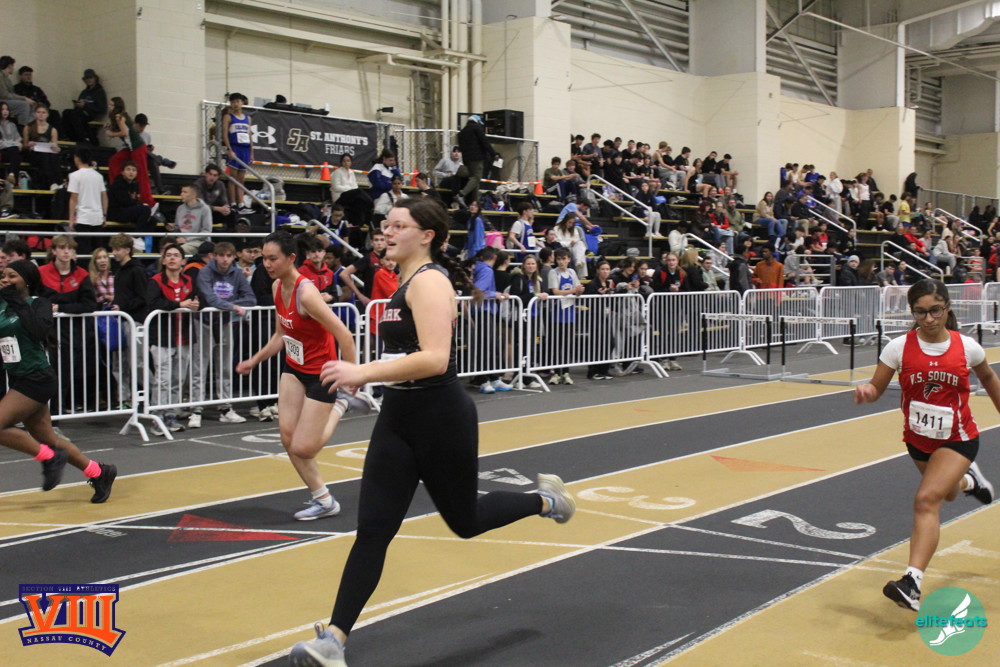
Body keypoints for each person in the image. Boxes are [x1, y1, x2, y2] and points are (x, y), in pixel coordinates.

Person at [289, 198, 575, 665]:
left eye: (399, 225)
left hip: (440, 417)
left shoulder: (430, 282)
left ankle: (545, 500)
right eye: (386, 224)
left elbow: (436, 359)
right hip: (398, 417)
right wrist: (371, 375)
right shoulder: (401, 284)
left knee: (466, 522)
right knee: (373, 529)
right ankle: (333, 640)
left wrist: (363, 372)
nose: (387, 231)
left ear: (427, 236)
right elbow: (407, 354)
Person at [854, 279, 997, 612]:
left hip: (958, 439)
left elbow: (989, 377)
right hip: (918, 440)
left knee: (926, 500)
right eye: (920, 312)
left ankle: (911, 583)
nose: (929, 319)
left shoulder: (967, 347)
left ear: (947, 308)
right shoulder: (898, 348)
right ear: (912, 312)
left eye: (935, 311)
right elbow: (877, 387)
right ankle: (970, 482)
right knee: (947, 493)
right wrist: (867, 392)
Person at [237, 231, 364, 521]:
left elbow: (344, 335)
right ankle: (324, 500)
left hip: (322, 373)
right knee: (287, 438)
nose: (267, 264)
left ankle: (341, 404)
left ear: (291, 258)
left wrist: (353, 376)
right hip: (294, 368)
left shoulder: (306, 294)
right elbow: (281, 335)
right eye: (264, 258)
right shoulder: (276, 287)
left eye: (273, 259)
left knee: (305, 448)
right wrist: (254, 360)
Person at [0, 260, 117, 501]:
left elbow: (38, 331)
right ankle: (98, 472)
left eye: (12, 276)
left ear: (27, 281)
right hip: (18, 377)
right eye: (3, 276)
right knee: (48, 439)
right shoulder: (2, 305)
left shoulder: (39, 303)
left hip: (37, 378)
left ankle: (49, 458)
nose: (5, 280)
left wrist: (15, 300)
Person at [191, 241, 256, 427]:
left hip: (225, 321)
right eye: (221, 255)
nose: (225, 259)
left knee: (225, 366)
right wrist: (232, 306)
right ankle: (196, 409)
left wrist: (230, 305)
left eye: (229, 256)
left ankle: (226, 407)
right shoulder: (205, 272)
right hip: (204, 321)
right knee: (200, 366)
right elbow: (209, 298)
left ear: (234, 257)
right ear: (214, 256)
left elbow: (251, 298)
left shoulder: (237, 273)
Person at [105, 97, 154, 207]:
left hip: (137, 147)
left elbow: (124, 133)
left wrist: (111, 134)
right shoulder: (119, 117)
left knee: (142, 174)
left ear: (116, 106)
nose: (109, 107)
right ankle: (117, 187)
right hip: (131, 148)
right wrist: (110, 128)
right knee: (114, 161)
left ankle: (148, 200)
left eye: (111, 105)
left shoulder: (119, 117)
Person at [67, 145, 107, 254]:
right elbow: (104, 197)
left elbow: (73, 198)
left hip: (83, 218)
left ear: (76, 158)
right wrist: (104, 215)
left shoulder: (74, 175)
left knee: (83, 252)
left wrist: (71, 219)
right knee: (97, 252)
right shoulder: (98, 176)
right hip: (97, 217)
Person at [455, 114, 496, 208]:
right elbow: (484, 141)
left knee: (474, 180)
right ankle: (461, 194)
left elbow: (461, 147)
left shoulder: (462, 132)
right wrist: (493, 153)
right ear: (477, 121)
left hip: (466, 159)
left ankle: (474, 202)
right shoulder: (476, 128)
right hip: (477, 158)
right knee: (477, 177)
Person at [221, 93, 253, 212]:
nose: (235, 104)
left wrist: (251, 152)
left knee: (241, 179)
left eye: (237, 101)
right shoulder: (228, 117)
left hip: (245, 149)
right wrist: (229, 149)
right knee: (233, 178)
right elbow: (225, 134)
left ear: (242, 102)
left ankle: (241, 204)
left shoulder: (248, 118)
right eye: (233, 102)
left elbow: (249, 136)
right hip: (235, 148)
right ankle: (233, 203)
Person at [22, 105, 61, 191]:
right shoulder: (28, 127)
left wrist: (56, 149)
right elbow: (24, 145)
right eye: (38, 112)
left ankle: (58, 182)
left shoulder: (53, 130)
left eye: (43, 112)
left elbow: (55, 145)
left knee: (54, 156)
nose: (41, 114)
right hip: (33, 154)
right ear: (35, 114)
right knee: (45, 156)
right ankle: (52, 182)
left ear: (47, 114)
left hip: (46, 153)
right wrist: (29, 144)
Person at [329, 153, 373, 232]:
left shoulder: (351, 172)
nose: (346, 163)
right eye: (344, 161)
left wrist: (352, 190)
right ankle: (371, 203)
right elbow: (336, 187)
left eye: (348, 161)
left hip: (350, 197)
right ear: (341, 162)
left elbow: (355, 186)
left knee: (360, 201)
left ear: (351, 162)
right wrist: (349, 189)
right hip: (340, 197)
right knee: (359, 191)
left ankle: (360, 223)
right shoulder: (337, 172)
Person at [62, 69, 107, 143]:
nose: (89, 80)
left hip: (91, 113)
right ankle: (68, 136)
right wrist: (78, 104)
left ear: (95, 78)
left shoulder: (99, 92)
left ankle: (84, 138)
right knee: (66, 112)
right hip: (80, 112)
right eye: (87, 78)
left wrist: (86, 105)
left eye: (91, 78)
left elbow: (102, 108)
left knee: (75, 114)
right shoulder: (84, 92)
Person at [107, 160, 154, 229]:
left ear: (136, 173)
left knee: (153, 220)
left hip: (127, 210)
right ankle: (138, 234)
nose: (131, 172)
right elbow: (125, 202)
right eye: (128, 169)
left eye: (134, 170)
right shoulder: (118, 184)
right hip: (116, 212)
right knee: (145, 209)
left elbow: (133, 200)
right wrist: (140, 205)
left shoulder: (134, 185)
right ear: (122, 172)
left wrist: (139, 205)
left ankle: (141, 235)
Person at [172, 183, 213, 255]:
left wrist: (187, 239)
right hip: (181, 240)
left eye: (185, 192)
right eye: (181, 192)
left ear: (193, 195)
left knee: (179, 251)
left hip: (199, 242)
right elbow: (177, 228)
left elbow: (206, 231)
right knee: (166, 248)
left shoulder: (205, 209)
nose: (181, 194)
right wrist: (175, 231)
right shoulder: (180, 208)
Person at [194, 164, 236, 231]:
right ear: (206, 174)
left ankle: (231, 235)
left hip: (214, 212)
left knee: (231, 213)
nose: (212, 177)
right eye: (210, 174)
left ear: (218, 177)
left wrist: (226, 208)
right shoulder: (198, 184)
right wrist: (218, 209)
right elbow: (201, 205)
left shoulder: (220, 184)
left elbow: (224, 200)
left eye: (215, 175)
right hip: (201, 213)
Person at [0, 56, 35, 125]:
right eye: (13, 66)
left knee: (33, 105)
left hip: (6, 100)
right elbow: (5, 95)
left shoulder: (7, 79)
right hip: (2, 101)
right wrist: (24, 98)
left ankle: (29, 126)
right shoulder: (0, 77)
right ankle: (23, 127)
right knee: (24, 105)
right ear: (10, 66)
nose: (13, 68)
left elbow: (11, 94)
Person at [0, 102, 21, 184]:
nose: (5, 111)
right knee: (15, 151)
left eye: (7, 109)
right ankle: (13, 178)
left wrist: (15, 144)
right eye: (3, 109)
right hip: (2, 152)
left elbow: (18, 139)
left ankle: (11, 175)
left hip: (12, 151)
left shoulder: (12, 125)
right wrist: (13, 144)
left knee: (15, 152)